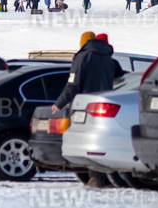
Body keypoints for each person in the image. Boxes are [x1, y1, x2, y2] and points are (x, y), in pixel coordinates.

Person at [52, 31, 122, 188]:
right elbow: (120, 78)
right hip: (105, 104)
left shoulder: (83, 57)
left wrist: (60, 103)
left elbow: (73, 84)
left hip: (86, 105)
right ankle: (100, 176)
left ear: (83, 43)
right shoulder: (109, 60)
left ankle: (95, 177)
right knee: (100, 140)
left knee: (87, 141)